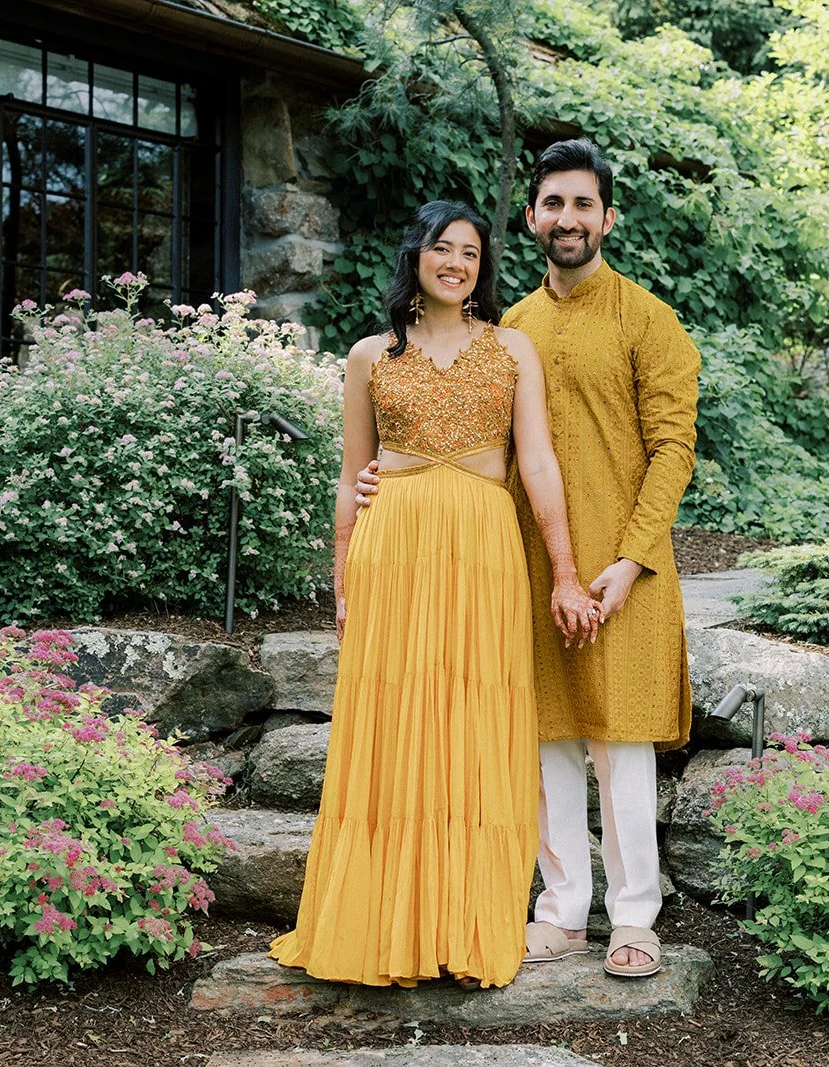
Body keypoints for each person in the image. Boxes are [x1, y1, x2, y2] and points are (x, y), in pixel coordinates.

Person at [356, 141, 701, 978]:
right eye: (553, 204)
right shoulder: (510, 328)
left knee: (618, 743)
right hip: (530, 566)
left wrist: (629, 560)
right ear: (533, 217)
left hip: (625, 571)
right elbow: (471, 433)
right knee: (542, 739)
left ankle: (634, 920)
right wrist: (388, 472)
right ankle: (561, 910)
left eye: (584, 204)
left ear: (608, 217)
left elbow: (674, 448)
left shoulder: (649, 319)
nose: (568, 219)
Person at [269, 200, 600, 990]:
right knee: (394, 730)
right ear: (415, 254)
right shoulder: (368, 356)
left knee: (475, 725)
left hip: (484, 549)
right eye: (442, 248)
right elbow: (352, 478)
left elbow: (540, 463)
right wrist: (342, 581)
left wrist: (563, 570)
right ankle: (386, 926)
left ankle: (462, 923)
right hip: (396, 551)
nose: (456, 263)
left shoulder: (512, 348)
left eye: (471, 253)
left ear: (483, 268)